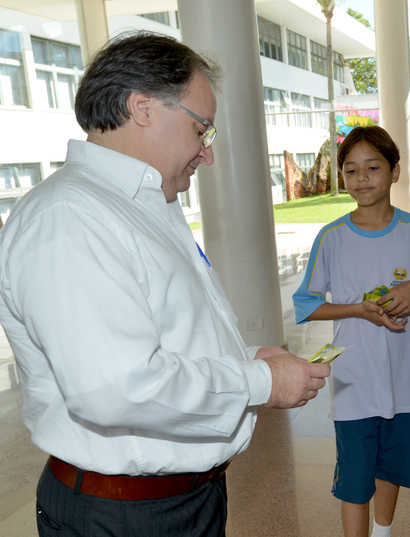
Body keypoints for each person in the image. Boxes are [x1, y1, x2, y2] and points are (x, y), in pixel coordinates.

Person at [0, 33, 330, 537]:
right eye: (202, 130)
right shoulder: (68, 217)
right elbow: (116, 388)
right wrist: (262, 382)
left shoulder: (145, 205)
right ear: (143, 108)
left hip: (186, 499)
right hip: (123, 514)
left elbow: (163, 336)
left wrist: (245, 358)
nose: (207, 155)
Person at [292, 126, 410, 537]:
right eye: (351, 170)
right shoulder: (332, 238)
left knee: (392, 468)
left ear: (394, 171)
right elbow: (306, 304)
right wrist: (358, 310)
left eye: (373, 167)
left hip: (403, 382)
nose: (362, 178)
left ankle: (383, 532)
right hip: (353, 384)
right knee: (355, 482)